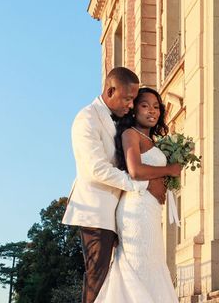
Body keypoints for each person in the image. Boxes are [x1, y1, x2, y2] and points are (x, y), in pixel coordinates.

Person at [62, 67, 177, 303]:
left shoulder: (120, 122)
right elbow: (96, 169)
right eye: (128, 98)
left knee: (113, 278)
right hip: (96, 210)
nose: (131, 105)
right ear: (110, 90)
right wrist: (143, 185)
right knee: (98, 277)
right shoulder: (87, 118)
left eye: (135, 100)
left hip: (118, 209)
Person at [94, 87, 181, 302]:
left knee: (153, 263)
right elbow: (136, 171)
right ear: (134, 110)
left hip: (150, 210)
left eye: (156, 107)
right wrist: (169, 170)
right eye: (145, 105)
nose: (152, 111)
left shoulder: (152, 141)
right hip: (136, 209)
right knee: (138, 264)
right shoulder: (130, 134)